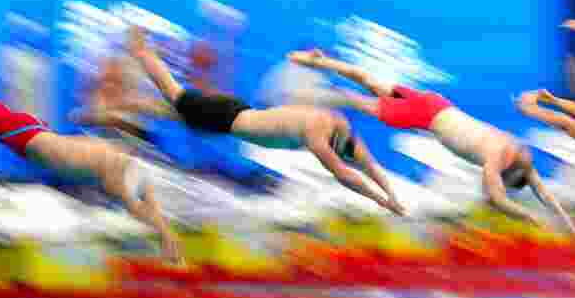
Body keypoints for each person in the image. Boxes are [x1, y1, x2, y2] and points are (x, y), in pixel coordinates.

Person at [0, 48, 184, 266]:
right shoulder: (120, 175)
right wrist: (165, 237)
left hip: (37, 136)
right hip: (33, 141)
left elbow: (149, 209)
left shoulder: (126, 163)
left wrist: (167, 236)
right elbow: (140, 207)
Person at [120, 27, 404, 216]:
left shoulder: (335, 124)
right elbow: (345, 174)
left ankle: (127, 104)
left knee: (174, 111)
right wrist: (380, 200)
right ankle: (141, 51)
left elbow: (368, 164)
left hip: (234, 115)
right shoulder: (316, 135)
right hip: (229, 118)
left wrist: (390, 195)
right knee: (173, 93)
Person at [290, 49, 575, 233]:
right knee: (364, 80)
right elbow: (543, 191)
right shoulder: (511, 152)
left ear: (512, 171)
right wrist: (567, 225)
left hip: (424, 116)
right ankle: (318, 62)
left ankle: (315, 81)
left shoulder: (495, 160)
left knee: (357, 96)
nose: (530, 158)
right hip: (434, 104)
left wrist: (528, 217)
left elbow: (496, 198)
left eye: (527, 164)